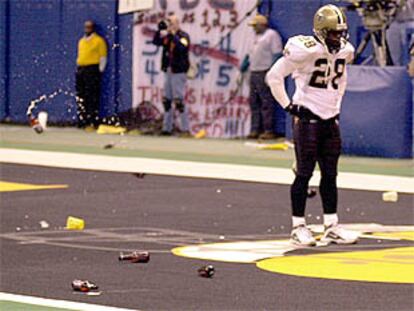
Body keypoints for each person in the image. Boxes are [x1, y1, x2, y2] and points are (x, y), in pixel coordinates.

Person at [266, 4, 359, 246]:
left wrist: (336, 106)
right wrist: (288, 105)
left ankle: (331, 225)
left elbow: (342, 80)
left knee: (330, 175)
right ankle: (298, 226)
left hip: (330, 120)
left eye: (341, 32)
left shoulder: (345, 50)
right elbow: (274, 77)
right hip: (307, 119)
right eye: (333, 33)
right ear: (321, 31)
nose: (338, 38)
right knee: (304, 174)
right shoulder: (304, 50)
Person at [240, 14, 283, 140]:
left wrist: (272, 71)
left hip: (264, 71)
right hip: (253, 72)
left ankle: (268, 130)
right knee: (254, 102)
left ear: (262, 25)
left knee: (266, 102)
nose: (254, 28)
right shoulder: (255, 37)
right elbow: (250, 54)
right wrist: (245, 64)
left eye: (255, 25)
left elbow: (276, 53)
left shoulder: (271, 35)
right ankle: (255, 130)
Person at [153, 15, 191, 136]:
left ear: (177, 23)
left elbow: (182, 48)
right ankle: (166, 128)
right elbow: (156, 42)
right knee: (167, 100)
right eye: (169, 22)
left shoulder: (183, 36)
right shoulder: (167, 37)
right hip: (168, 70)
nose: (170, 24)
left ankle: (185, 129)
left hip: (178, 71)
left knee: (178, 100)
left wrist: (173, 34)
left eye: (172, 22)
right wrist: (159, 30)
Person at [76, 20, 107, 129]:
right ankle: (82, 120)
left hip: (92, 69)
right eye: (86, 27)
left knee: (92, 96)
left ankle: (93, 120)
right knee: (81, 95)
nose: (87, 29)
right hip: (81, 69)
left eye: (89, 27)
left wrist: (99, 71)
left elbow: (103, 57)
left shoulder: (99, 41)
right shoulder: (81, 41)